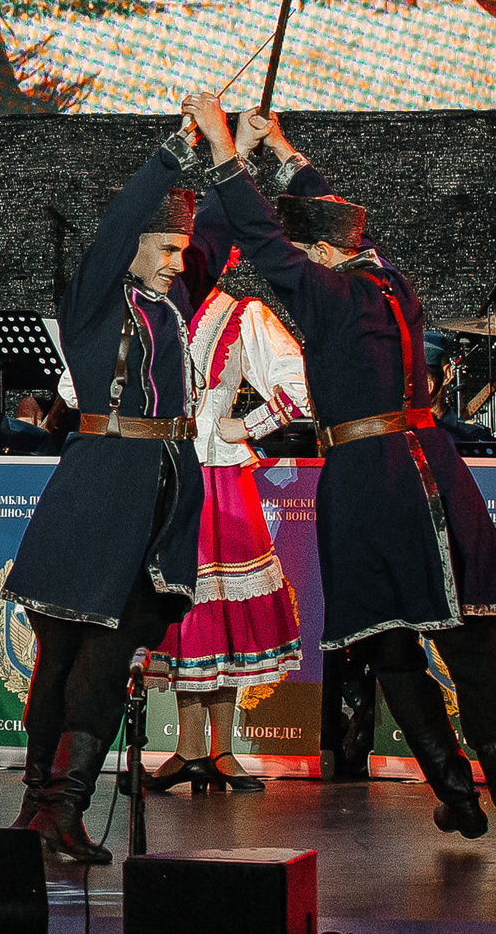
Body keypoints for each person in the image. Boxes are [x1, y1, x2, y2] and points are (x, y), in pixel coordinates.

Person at [199, 100, 496, 863]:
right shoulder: (389, 277)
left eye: (304, 251)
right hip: (431, 466)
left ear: (320, 258)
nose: (295, 259)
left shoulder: (328, 295)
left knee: (391, 645)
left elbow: (264, 235)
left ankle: (458, 791)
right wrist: (283, 150)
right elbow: (324, 216)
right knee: (468, 647)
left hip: (370, 481)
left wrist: (229, 152)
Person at [1, 148, 203, 865]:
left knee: (99, 658)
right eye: (170, 246)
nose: (181, 260)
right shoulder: (96, 297)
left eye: (184, 247)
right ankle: (48, 804)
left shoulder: (168, 303)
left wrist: (235, 152)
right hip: (97, 492)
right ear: (137, 246)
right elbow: (118, 223)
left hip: (147, 498)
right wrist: (169, 155)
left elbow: (226, 238)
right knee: (68, 657)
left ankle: (53, 806)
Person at [143, 251, 312, 793]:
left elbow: (298, 385)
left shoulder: (241, 316)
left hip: (217, 475)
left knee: (219, 612)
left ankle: (219, 750)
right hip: (167, 471)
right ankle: (189, 750)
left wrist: (249, 424)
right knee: (184, 611)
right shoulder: (149, 312)